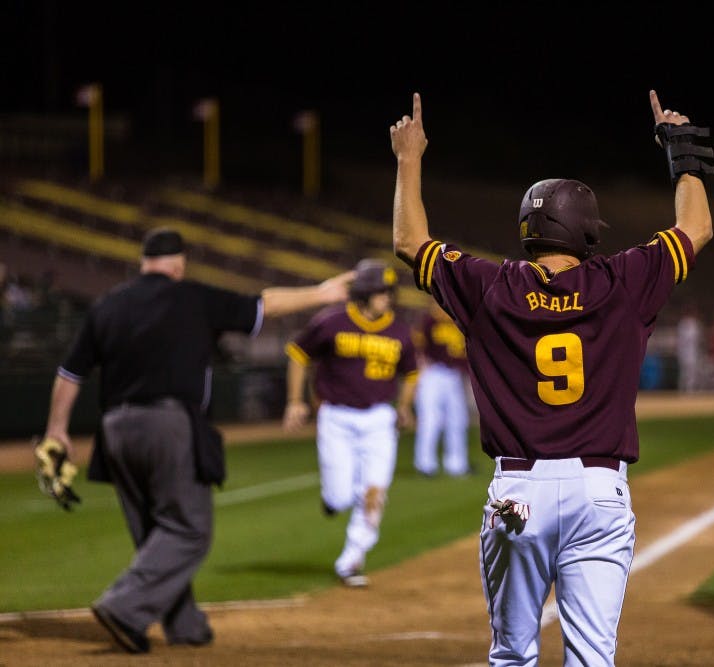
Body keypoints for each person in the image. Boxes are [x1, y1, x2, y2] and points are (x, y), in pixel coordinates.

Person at [390, 90, 714, 665]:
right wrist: (680, 153)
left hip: (518, 493)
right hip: (598, 490)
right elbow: (697, 227)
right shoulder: (621, 282)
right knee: (592, 657)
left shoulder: (490, 286)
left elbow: (409, 243)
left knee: (512, 655)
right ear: (587, 233)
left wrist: (409, 158)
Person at [42, 228, 354, 654]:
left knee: (155, 532)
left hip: (114, 429)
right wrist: (321, 293)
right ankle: (123, 607)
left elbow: (70, 373)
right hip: (168, 423)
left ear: (143, 262)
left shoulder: (107, 305)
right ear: (180, 264)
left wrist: (56, 429)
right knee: (189, 530)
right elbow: (265, 304)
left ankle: (184, 624)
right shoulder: (191, 296)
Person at [283, 258, 418, 587]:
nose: (387, 296)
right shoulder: (332, 321)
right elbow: (298, 354)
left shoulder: (399, 330)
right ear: (364, 293)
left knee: (374, 490)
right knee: (341, 496)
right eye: (380, 291)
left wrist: (403, 405)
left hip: (378, 419)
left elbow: (412, 372)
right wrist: (295, 401)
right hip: (337, 417)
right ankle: (332, 502)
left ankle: (352, 558)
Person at [413, 300, 471, 477]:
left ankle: (457, 464)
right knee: (430, 419)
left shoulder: (461, 320)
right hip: (433, 372)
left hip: (454, 376)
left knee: (458, 419)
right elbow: (417, 346)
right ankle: (425, 464)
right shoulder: (430, 320)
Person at [675, 305, 703, 393]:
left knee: (692, 372)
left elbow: (698, 339)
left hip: (693, 352)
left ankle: (690, 390)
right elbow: (680, 340)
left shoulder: (695, 324)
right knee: (684, 372)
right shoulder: (682, 324)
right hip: (684, 352)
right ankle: (683, 390)